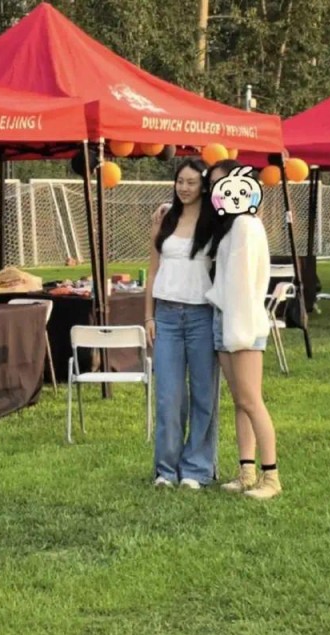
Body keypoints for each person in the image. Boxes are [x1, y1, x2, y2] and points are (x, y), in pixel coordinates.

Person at [204, 159, 282, 500]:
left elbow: (244, 285)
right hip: (225, 318)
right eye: (214, 185)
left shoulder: (246, 226)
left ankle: (271, 477)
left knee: (251, 400)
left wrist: (237, 332)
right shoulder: (230, 226)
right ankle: (246, 471)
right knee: (239, 401)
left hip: (243, 322)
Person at [145, 157, 219, 489]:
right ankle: (166, 470)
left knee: (204, 394)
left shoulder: (215, 221)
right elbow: (153, 271)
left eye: (191, 182)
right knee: (169, 397)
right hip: (167, 316)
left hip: (202, 314)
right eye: (180, 182)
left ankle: (197, 469)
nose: (184, 188)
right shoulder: (165, 218)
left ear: (203, 186)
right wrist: (149, 315)